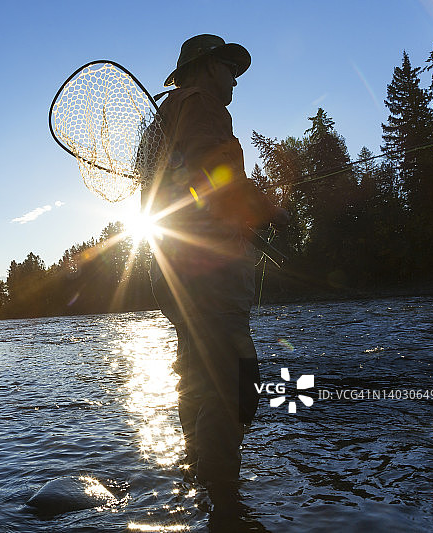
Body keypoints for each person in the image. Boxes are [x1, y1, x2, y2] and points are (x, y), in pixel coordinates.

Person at [141, 34, 288, 513]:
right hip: (209, 271)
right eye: (229, 68)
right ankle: (225, 500)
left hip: (171, 269)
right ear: (205, 67)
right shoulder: (201, 103)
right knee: (233, 382)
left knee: (196, 373)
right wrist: (268, 211)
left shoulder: (162, 118)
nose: (235, 81)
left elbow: (188, 187)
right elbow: (214, 172)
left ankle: (197, 480)